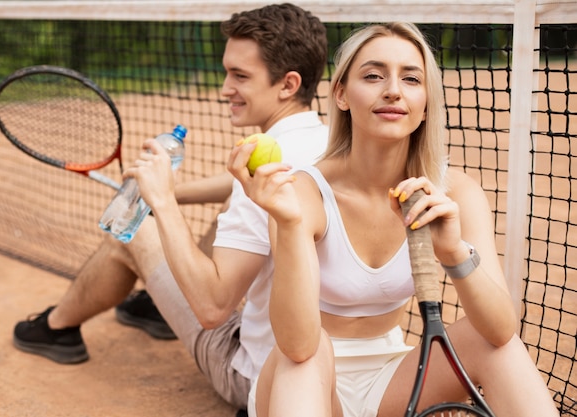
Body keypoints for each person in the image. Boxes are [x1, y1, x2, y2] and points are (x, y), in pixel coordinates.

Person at [228, 22, 559, 417]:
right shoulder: (301, 193)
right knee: (307, 356)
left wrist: (453, 252)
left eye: (411, 79)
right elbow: (297, 346)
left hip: (393, 382)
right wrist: (289, 224)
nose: (393, 90)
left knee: (492, 343)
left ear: (424, 105)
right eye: (372, 75)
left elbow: (502, 329)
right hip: (302, 383)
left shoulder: (456, 193)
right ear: (341, 94)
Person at [12, 3, 329, 412]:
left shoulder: (266, 166)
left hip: (256, 377)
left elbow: (214, 310)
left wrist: (160, 201)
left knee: (132, 231)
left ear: (287, 85)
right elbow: (238, 185)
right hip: (325, 369)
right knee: (229, 211)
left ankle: (57, 329)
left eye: (240, 76)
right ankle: (155, 307)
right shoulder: (325, 143)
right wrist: (172, 190)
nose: (224, 88)